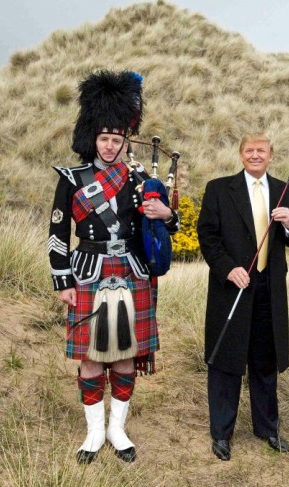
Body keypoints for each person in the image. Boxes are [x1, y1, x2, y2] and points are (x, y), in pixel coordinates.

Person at [48, 70, 180, 464]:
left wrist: (167, 212)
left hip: (132, 271)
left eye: (116, 139)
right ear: (94, 138)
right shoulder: (72, 179)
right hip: (87, 270)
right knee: (90, 356)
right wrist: (62, 280)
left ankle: (117, 429)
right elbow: (57, 232)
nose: (109, 146)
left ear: (126, 140)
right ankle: (93, 433)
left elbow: (164, 225)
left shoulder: (140, 178)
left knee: (125, 354)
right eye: (104, 139)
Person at [197, 133, 289, 461]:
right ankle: (221, 434)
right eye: (249, 150)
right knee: (227, 361)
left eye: (261, 151)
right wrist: (228, 268)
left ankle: (267, 429)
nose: (255, 155)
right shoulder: (218, 189)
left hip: (268, 290)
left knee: (264, 361)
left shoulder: (286, 191)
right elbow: (208, 235)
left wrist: (288, 223)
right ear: (241, 154)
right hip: (232, 287)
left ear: (271, 155)